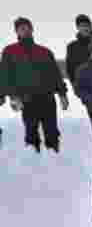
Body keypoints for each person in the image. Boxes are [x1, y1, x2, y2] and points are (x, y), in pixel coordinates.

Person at [1, 18, 68, 152]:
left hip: (47, 98)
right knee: (31, 133)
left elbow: (55, 75)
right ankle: (33, 163)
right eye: (20, 29)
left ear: (32, 29)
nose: (24, 31)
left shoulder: (45, 52)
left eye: (26, 28)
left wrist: (62, 94)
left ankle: (55, 159)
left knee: (52, 132)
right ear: (16, 32)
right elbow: (5, 76)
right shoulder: (10, 51)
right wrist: (10, 96)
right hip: (26, 99)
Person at [66, 15, 92, 97]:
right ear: (78, 28)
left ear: (91, 26)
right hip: (85, 90)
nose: (85, 28)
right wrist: (76, 88)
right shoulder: (72, 47)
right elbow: (70, 69)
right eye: (82, 26)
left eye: (87, 25)